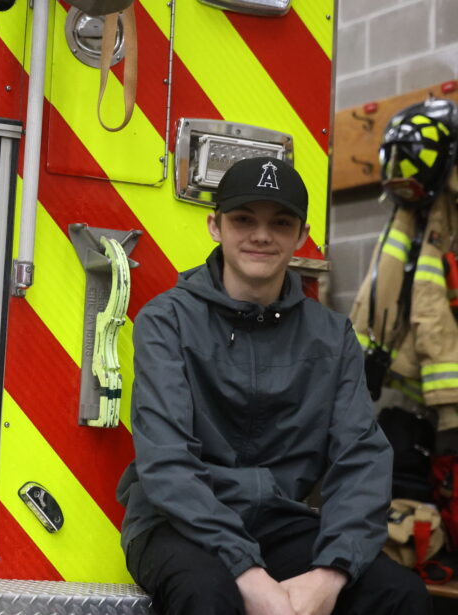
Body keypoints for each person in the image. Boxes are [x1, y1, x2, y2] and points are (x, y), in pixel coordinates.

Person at [116, 157, 430, 615]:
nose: (262, 235)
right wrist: (249, 574)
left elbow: (361, 458)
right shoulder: (167, 321)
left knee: (399, 595)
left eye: (280, 222)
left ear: (301, 236)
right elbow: (167, 463)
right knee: (208, 594)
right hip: (176, 524)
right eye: (244, 219)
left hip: (279, 523)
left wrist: (331, 573)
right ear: (215, 226)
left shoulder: (332, 335)